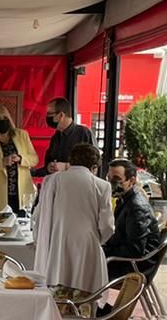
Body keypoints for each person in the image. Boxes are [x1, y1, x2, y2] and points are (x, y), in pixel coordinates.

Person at [34, 142, 115, 294]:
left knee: (57, 293)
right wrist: (98, 240)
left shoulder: (52, 180)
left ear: (70, 161)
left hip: (57, 243)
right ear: (94, 166)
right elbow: (107, 226)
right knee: (85, 295)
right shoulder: (102, 186)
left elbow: (39, 215)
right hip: (88, 245)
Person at [104, 158, 160, 278]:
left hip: (134, 267)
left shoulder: (136, 207)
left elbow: (135, 250)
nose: (110, 183)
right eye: (108, 178)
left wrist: (102, 251)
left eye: (117, 179)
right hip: (128, 262)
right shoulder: (126, 198)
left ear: (132, 180)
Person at [32, 97, 94, 177]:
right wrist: (49, 168)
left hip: (78, 182)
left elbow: (93, 165)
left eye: (50, 114)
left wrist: (66, 166)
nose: (47, 117)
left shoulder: (84, 134)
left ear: (61, 115)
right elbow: (48, 164)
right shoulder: (56, 137)